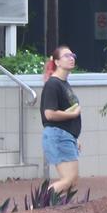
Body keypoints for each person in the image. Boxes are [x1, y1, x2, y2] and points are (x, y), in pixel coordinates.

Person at [40, 45, 81, 195]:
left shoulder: (64, 84)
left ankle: (52, 211)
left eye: (72, 55)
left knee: (72, 181)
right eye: (66, 56)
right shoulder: (53, 84)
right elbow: (49, 114)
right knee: (68, 179)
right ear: (57, 62)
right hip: (58, 136)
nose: (71, 58)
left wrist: (74, 137)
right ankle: (37, 206)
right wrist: (73, 115)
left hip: (66, 136)